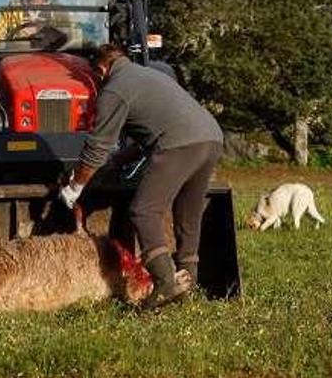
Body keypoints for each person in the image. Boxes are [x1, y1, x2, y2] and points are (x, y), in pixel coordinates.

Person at [59, 43, 224, 309]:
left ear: (101, 70)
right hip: (211, 137)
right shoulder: (148, 75)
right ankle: (188, 284)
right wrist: (115, 162)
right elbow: (142, 140)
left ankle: (165, 282)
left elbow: (97, 146)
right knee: (187, 214)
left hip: (179, 143)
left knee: (144, 211)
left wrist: (75, 187)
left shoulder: (114, 89)